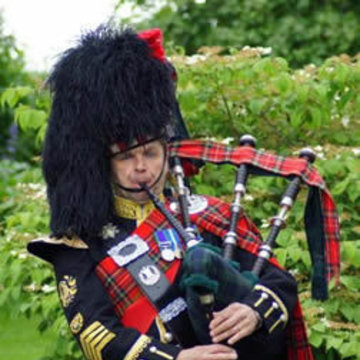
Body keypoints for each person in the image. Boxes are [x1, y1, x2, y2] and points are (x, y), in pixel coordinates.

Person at [28, 26, 313, 360]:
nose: (141, 167)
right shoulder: (78, 245)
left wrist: (253, 311)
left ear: (167, 152)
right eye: (125, 157)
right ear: (102, 164)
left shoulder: (209, 214)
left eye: (150, 153)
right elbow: (95, 333)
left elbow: (279, 282)